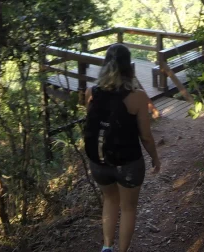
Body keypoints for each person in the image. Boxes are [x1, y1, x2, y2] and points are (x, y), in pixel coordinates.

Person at [83, 44, 161, 252]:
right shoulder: (137, 97)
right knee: (128, 208)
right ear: (130, 67)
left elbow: (93, 123)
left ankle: (106, 247)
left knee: (109, 200)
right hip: (128, 164)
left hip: (98, 161)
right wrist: (155, 158)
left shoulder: (91, 92)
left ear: (105, 65)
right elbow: (145, 136)